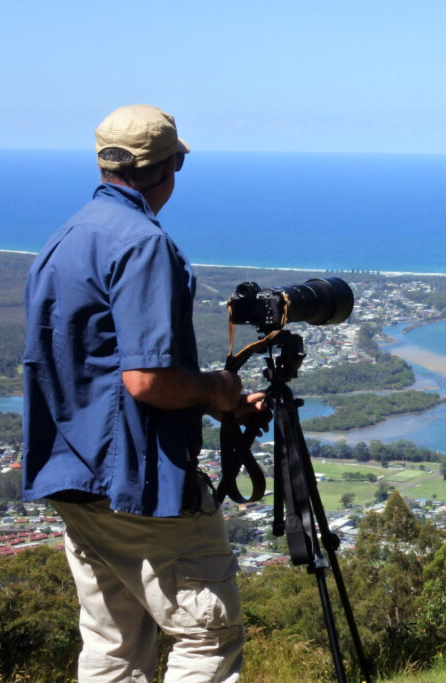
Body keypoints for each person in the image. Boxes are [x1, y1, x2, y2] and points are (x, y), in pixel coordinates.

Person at [23, 105, 268, 682]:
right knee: (207, 635)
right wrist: (217, 388)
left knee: (113, 643)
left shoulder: (66, 237)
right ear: (171, 166)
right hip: (139, 485)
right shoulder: (143, 243)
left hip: (73, 476)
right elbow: (146, 381)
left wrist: (221, 401)